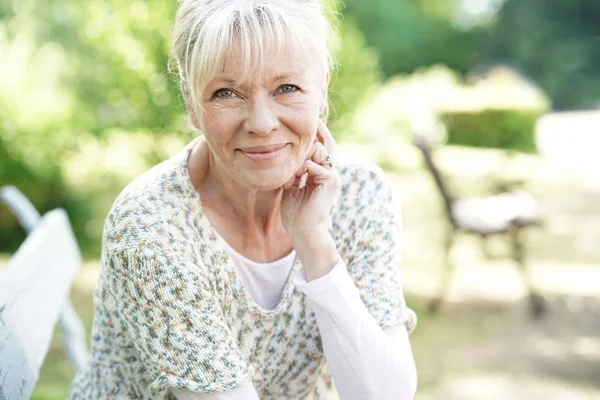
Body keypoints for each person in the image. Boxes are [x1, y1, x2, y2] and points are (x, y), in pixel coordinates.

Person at [67, 0, 418, 399]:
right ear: (192, 106)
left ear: (321, 88)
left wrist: (315, 243)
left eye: (287, 87)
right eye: (226, 93)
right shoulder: (151, 229)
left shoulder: (360, 194)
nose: (262, 123)